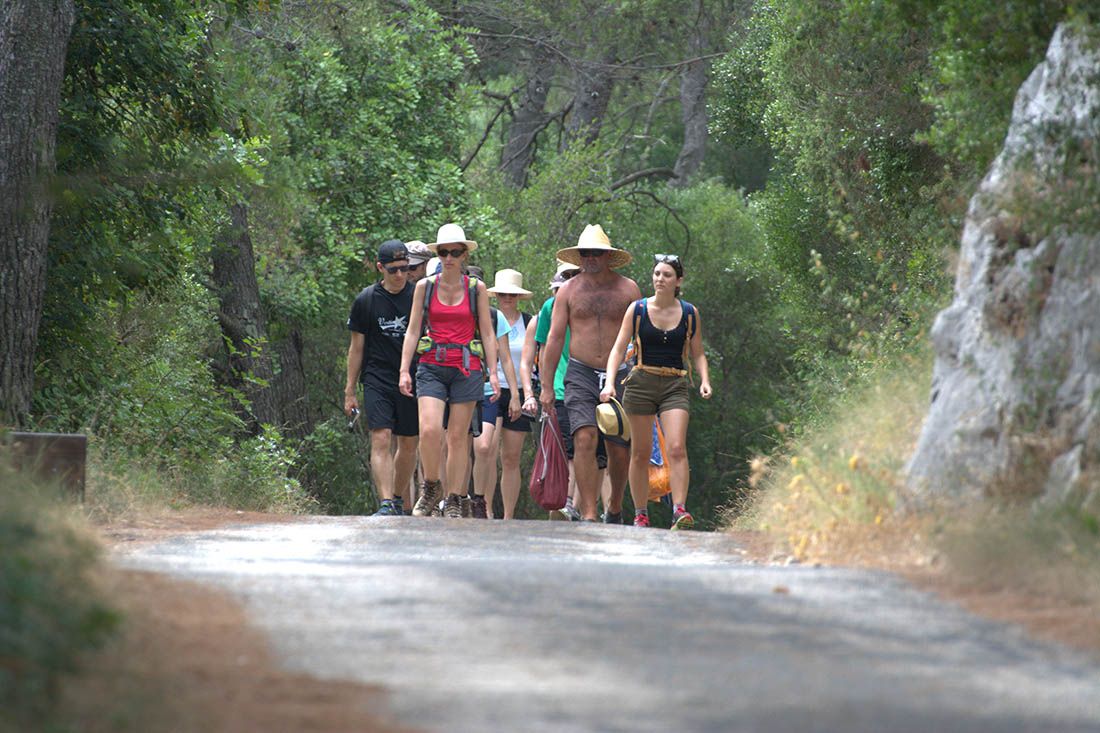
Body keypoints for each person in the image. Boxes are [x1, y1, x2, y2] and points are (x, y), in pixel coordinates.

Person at [601, 253, 712, 529]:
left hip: (675, 384)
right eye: (657, 274)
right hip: (641, 383)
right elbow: (618, 348)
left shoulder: (690, 313)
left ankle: (679, 510)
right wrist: (609, 382)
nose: (660, 279)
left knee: (676, 448)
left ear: (678, 281)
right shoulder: (637, 309)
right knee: (640, 452)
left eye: (667, 275)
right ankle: (641, 513)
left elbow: (698, 353)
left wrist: (705, 380)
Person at [540, 225, 641, 522]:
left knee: (618, 447)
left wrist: (643, 376)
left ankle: (615, 506)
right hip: (580, 373)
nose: (591, 258)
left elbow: (640, 336)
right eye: (585, 253)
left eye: (597, 252)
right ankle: (588, 512)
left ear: (608, 255)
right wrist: (546, 386)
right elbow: (554, 338)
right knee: (584, 437)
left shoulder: (628, 289)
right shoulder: (568, 291)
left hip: (619, 374)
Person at [400, 223, 499, 518]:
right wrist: (404, 369)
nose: (449, 257)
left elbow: (487, 332)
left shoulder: (476, 289)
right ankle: (432, 486)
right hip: (431, 364)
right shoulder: (425, 287)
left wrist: (494, 373)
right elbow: (413, 330)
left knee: (458, 437)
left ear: (464, 254)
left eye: (455, 252)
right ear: (438, 255)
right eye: (444, 252)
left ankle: (455, 497)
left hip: (466, 367)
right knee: (430, 430)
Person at [344, 240, 420, 516]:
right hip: (377, 377)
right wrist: (349, 390)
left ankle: (398, 497)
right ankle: (386, 502)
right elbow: (356, 348)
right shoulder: (366, 300)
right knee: (381, 437)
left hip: (412, 377)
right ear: (380, 268)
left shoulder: (418, 296)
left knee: (409, 442)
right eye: (393, 270)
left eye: (405, 268)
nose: (400, 275)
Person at [473, 269, 532, 519]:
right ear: (495, 295)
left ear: (519, 297)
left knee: (510, 457)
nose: (507, 298)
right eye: (503, 294)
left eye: (512, 294)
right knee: (486, 449)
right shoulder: (488, 318)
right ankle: (485, 510)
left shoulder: (528, 322)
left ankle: (508, 517)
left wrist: (525, 394)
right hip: (490, 390)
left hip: (517, 391)